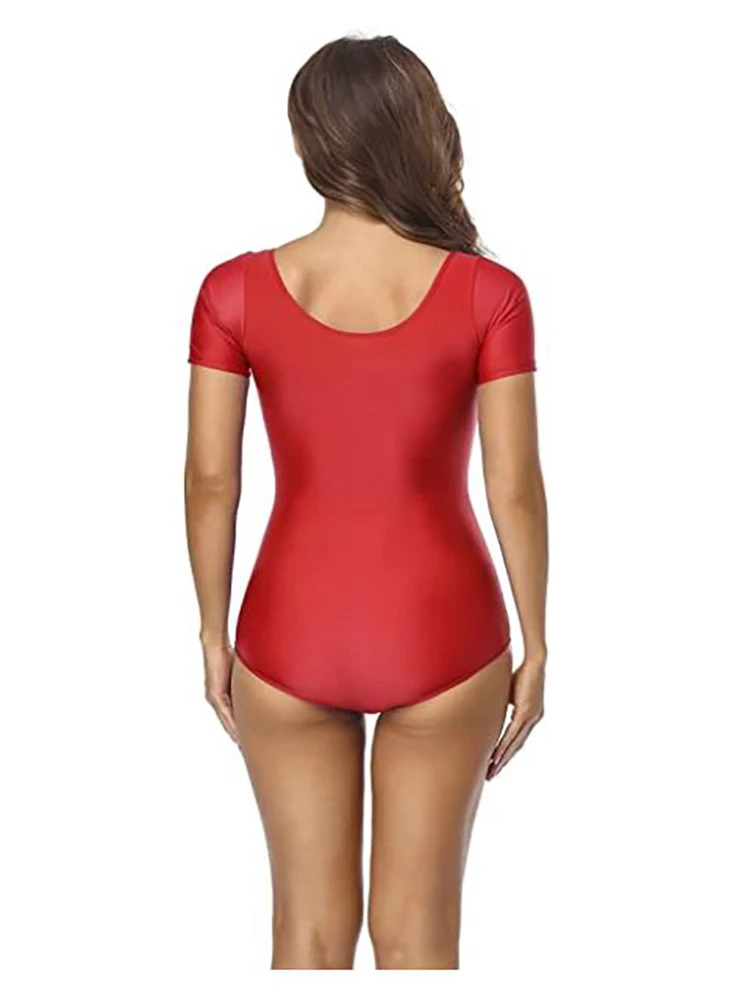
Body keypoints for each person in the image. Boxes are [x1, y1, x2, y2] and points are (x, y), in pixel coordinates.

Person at [184, 33, 548, 971]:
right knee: (418, 940)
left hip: (288, 629)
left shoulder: (232, 292)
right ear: (421, 132)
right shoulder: (490, 293)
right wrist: (537, 641)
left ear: (306, 143)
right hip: (445, 631)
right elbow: (512, 485)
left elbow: (213, 480)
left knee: (305, 937)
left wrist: (214, 634)